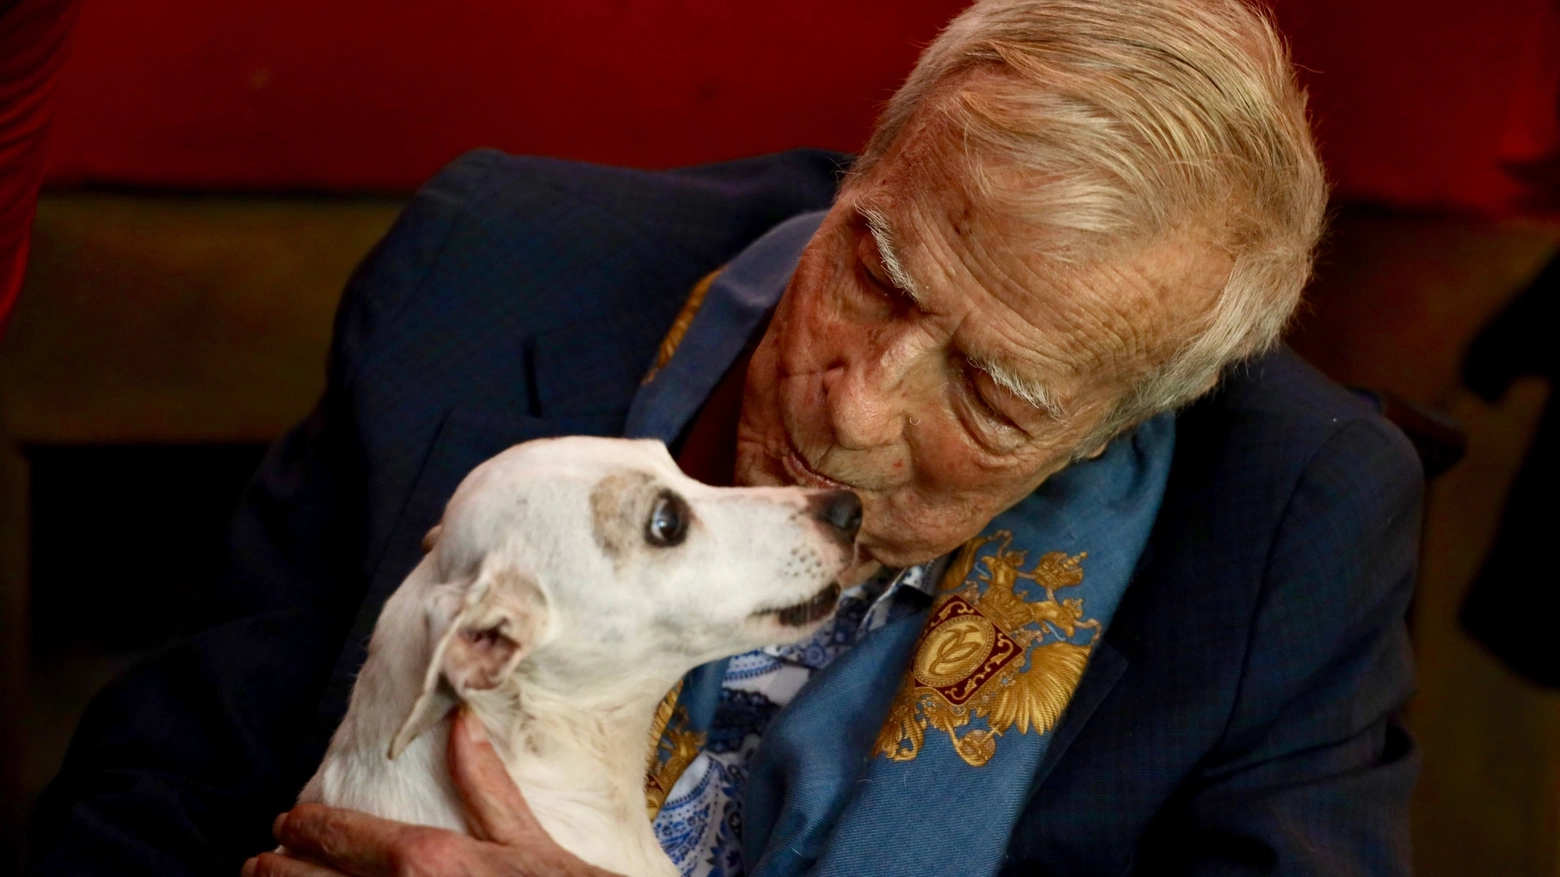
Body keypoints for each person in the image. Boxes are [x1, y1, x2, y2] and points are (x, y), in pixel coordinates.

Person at [28, 1, 1423, 875]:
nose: (854, 402)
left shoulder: (1288, 527)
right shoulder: (488, 271)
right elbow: (157, 796)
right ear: (874, 156)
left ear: (1126, 422)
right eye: (874, 269)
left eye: (991, 395)